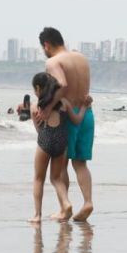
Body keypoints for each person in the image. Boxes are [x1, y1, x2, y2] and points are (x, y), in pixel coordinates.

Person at [34, 26, 95, 222]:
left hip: (67, 115)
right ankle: (87, 202)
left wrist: (46, 107)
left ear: (46, 45)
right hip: (86, 113)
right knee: (81, 163)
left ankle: (64, 208)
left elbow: (63, 84)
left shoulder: (53, 61)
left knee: (61, 167)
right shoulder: (82, 58)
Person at [29, 72, 84, 222]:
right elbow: (77, 121)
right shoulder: (64, 103)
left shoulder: (35, 107)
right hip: (62, 142)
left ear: (38, 88)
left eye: (34, 89)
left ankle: (37, 215)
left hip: (45, 141)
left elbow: (38, 131)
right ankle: (66, 203)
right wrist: (85, 107)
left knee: (38, 179)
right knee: (55, 178)